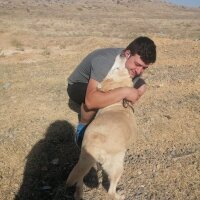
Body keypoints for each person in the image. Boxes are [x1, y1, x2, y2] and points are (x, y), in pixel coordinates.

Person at [67, 36, 156, 147]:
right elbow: (91, 101)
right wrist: (124, 92)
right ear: (127, 54)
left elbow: (136, 85)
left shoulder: (133, 67)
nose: (139, 71)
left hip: (108, 81)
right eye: (137, 64)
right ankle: (82, 128)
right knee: (97, 99)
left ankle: (110, 119)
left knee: (142, 86)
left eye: (144, 68)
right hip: (78, 85)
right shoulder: (105, 61)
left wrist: (127, 92)